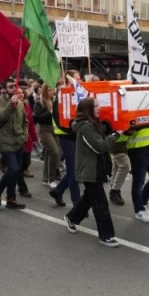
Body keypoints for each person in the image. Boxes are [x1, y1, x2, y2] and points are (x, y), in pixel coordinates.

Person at [63, 97, 122, 247]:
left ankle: (72, 217)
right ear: (88, 109)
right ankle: (106, 236)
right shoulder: (85, 127)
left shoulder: (93, 124)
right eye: (96, 106)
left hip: (96, 169)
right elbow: (100, 147)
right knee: (101, 204)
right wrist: (116, 135)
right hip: (90, 170)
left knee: (90, 198)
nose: (99, 108)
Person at [0, 78, 28, 209]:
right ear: (4, 89)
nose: (14, 88)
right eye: (11, 86)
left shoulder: (21, 103)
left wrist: (25, 134)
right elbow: (1, 117)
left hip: (19, 140)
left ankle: (11, 198)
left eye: (15, 86)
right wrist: (10, 105)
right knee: (13, 168)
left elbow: (25, 121)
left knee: (16, 172)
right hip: (5, 139)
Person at [49, 71, 83, 207]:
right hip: (66, 137)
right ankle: (77, 205)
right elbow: (58, 120)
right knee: (74, 173)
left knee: (74, 171)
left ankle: (58, 191)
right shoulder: (62, 96)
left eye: (80, 79)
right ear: (69, 82)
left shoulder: (80, 95)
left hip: (77, 136)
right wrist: (75, 128)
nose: (80, 81)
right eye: (77, 79)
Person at [32, 84, 61, 190]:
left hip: (55, 129)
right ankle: (51, 179)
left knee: (50, 153)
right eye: (48, 90)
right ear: (44, 91)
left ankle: (45, 178)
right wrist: (50, 112)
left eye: (52, 90)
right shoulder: (39, 102)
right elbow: (38, 118)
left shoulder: (53, 101)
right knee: (55, 152)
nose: (51, 92)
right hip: (44, 130)